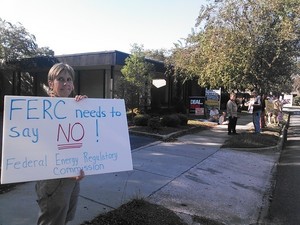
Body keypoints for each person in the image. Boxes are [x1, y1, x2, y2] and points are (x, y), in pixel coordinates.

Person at [35, 63, 87, 225]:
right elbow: (42, 147)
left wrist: (86, 108)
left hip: (73, 178)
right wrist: (66, 169)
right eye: (60, 79)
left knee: (63, 220)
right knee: (52, 221)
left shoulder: (75, 107)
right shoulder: (43, 110)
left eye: (69, 79)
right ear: (51, 83)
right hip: (53, 179)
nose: (66, 83)